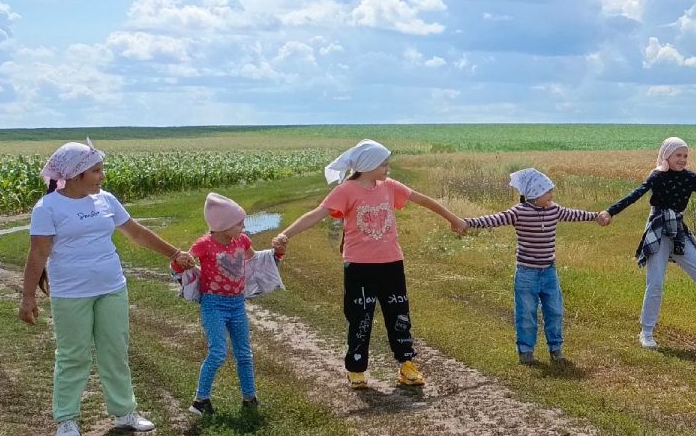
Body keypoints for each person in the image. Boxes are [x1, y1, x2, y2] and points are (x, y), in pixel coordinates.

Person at [18, 140, 193, 436]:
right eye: (96, 171)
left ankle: (125, 412)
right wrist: (28, 296)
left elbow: (136, 232)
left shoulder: (106, 200)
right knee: (73, 355)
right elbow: (38, 254)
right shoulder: (48, 208)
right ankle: (66, 419)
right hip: (71, 294)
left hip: (112, 288)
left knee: (115, 350)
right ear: (75, 175)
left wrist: (174, 253)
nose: (102, 176)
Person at [271, 140, 468, 389]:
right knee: (360, 317)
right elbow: (316, 214)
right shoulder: (346, 191)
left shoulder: (389, 187)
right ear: (368, 165)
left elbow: (423, 200)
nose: (387, 168)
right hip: (359, 267)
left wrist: (453, 218)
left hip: (392, 263)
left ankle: (406, 365)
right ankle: (356, 369)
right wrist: (285, 235)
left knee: (399, 316)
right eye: (383, 164)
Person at [605, 137, 696, 350]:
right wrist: (611, 211)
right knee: (655, 283)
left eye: (685, 156)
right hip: (658, 229)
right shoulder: (657, 176)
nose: (682, 160)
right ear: (666, 155)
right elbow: (636, 194)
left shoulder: (690, 178)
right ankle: (646, 332)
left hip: (678, 231)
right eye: (678, 155)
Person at [463, 167, 612, 362]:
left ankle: (556, 348)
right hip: (526, 274)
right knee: (526, 313)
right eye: (547, 191)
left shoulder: (554, 210)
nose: (551, 194)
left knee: (555, 310)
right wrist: (467, 222)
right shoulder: (518, 212)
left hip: (549, 272)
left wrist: (596, 216)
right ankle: (525, 351)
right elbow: (493, 219)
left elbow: (575, 214)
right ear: (534, 194)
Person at [180, 191, 269, 415]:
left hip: (237, 304)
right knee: (218, 352)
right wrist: (181, 263)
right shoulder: (204, 244)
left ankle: (250, 398)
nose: (243, 227)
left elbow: (255, 259)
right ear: (222, 224)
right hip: (213, 304)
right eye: (239, 223)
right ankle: (200, 400)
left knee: (244, 353)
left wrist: (276, 255)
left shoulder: (242, 240)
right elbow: (183, 263)